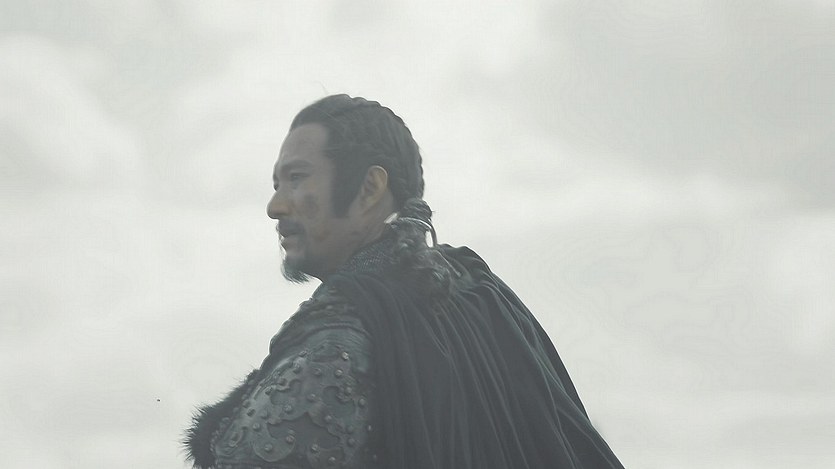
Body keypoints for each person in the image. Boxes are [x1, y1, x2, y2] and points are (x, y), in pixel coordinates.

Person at [184, 94, 625, 469]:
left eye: (296, 179)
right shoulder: (479, 303)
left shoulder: (340, 341)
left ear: (370, 189)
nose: (275, 207)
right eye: (277, 184)